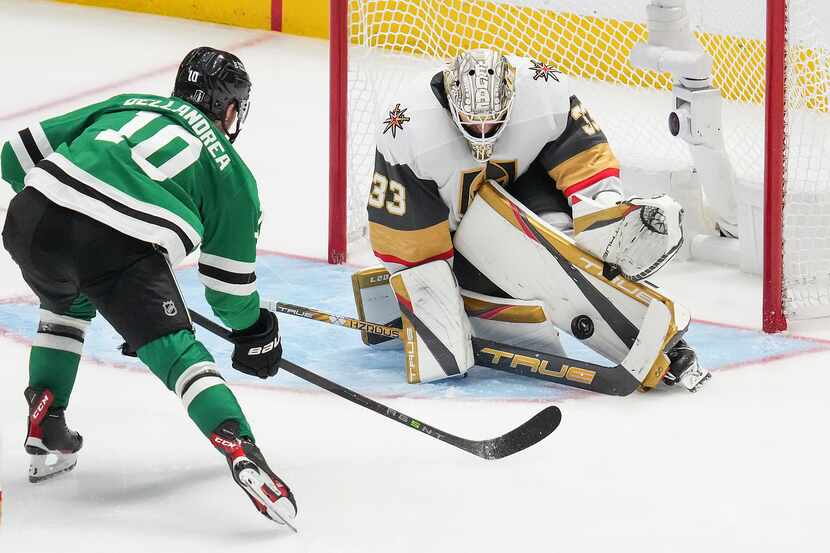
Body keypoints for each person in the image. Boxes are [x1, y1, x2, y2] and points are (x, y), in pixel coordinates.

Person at [0, 47, 296, 526]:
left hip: (31, 220)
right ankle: (240, 447)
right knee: (179, 354)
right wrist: (257, 331)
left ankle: (45, 420)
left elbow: (13, 157)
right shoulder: (235, 177)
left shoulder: (128, 103)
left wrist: (57, 208)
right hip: (112, 250)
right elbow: (228, 293)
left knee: (66, 305)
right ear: (231, 109)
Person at [361, 48, 709, 393]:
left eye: (492, 120)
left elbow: (586, 162)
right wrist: (429, 297)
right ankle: (429, 302)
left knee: (563, 258)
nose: (483, 131)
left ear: (512, 96)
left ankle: (661, 338)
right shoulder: (407, 128)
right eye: (472, 121)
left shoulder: (544, 91)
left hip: (521, 194)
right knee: (469, 348)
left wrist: (604, 210)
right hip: (450, 235)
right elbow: (406, 235)